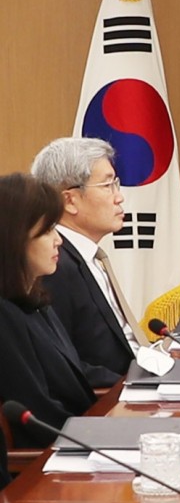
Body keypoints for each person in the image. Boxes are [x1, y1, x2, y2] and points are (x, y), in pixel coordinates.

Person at [32, 138, 140, 387]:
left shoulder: (88, 257)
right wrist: (134, 385)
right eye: (107, 186)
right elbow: (64, 366)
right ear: (70, 201)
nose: (119, 197)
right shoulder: (54, 265)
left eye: (116, 184)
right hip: (107, 404)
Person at [0, 174, 96, 448]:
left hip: (80, 436)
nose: (59, 241)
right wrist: (107, 436)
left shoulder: (34, 301)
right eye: (47, 231)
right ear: (14, 239)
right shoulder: (5, 315)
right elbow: (38, 415)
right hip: (50, 460)